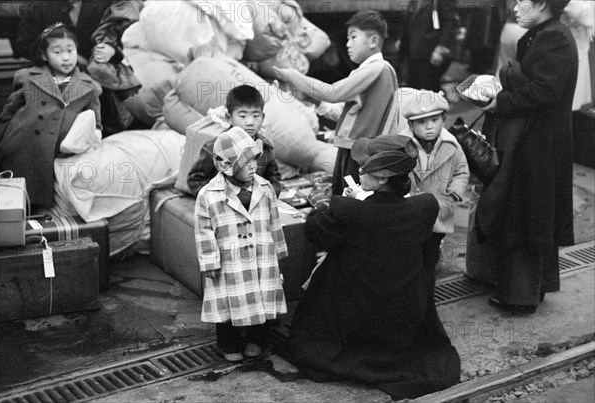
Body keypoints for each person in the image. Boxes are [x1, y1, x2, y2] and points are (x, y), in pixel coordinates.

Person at [289, 135, 461, 399]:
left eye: (366, 167)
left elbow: (314, 230)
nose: (358, 170)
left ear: (382, 179)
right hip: (403, 318)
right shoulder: (425, 206)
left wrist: (354, 203)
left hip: (356, 319)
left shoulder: (349, 210)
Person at [476, 0, 577, 314]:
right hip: (535, 138)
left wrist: (499, 102)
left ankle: (520, 297)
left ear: (542, 4)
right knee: (533, 211)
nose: (515, 8)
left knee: (527, 210)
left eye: (522, 1)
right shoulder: (545, 34)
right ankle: (534, 288)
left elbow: (546, 91)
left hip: (540, 142)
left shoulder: (554, 37)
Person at [273, 10, 399, 196]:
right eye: (347, 38)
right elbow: (344, 111)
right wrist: (316, 101)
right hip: (352, 148)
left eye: (353, 37)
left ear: (373, 41)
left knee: (353, 200)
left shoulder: (378, 68)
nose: (347, 44)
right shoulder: (364, 72)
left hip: (363, 152)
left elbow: (332, 93)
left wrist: (294, 76)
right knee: (343, 195)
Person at [194, 127, 288, 362]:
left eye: (254, 160)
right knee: (228, 303)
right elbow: (203, 231)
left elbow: (274, 221)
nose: (253, 166)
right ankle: (229, 344)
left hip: (261, 256)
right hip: (229, 260)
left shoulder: (265, 189)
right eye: (245, 163)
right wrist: (210, 261)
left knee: (261, 299)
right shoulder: (208, 195)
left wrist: (278, 250)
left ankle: (257, 340)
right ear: (227, 166)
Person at [0, 23, 101, 209]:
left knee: (49, 204)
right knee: (16, 201)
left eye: (70, 50)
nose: (66, 57)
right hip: (22, 147)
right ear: (44, 55)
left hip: (57, 155)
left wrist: (94, 141)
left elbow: (95, 124)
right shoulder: (29, 78)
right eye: (57, 52)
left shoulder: (88, 86)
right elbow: (8, 114)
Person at [13, 0, 143, 136]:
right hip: (55, 75)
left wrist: (113, 49)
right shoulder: (35, 6)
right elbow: (23, 45)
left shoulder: (106, 3)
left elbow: (130, 35)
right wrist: (52, 50)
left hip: (99, 75)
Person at [401, 90, 469, 285]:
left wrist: (454, 193)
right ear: (410, 124)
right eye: (421, 122)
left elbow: (461, 171)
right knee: (410, 259)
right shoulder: (401, 145)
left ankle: (427, 297)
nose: (429, 127)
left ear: (444, 118)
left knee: (430, 258)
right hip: (409, 212)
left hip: (439, 211)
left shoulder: (452, 145)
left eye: (435, 120)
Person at [187, 85, 281, 198]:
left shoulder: (265, 148)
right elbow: (195, 180)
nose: (250, 122)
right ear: (228, 118)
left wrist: (265, 197)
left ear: (263, 117)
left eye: (256, 116)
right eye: (242, 116)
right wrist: (215, 199)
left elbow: (274, 180)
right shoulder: (214, 147)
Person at [397, 0, 458, 91]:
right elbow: (409, 20)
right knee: (413, 90)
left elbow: (450, 23)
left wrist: (440, 49)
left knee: (429, 91)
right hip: (413, 52)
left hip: (430, 55)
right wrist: (401, 39)